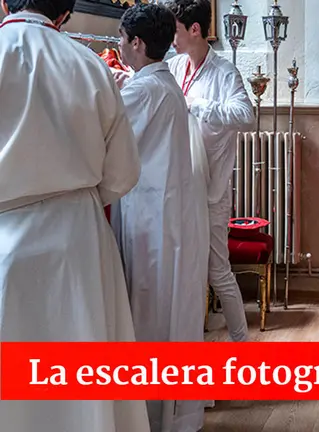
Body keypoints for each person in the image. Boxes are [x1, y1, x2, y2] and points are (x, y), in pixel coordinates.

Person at [0, 0, 150, 431]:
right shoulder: (90, 66)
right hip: (77, 235)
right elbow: (123, 171)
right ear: (64, 13)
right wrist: (77, 194)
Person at [111, 4, 209, 431]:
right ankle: (175, 412)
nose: (117, 45)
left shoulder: (143, 90)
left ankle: (151, 415)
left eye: (120, 37)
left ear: (136, 43)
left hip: (152, 219)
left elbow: (110, 145)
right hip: (171, 215)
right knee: (172, 313)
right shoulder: (162, 82)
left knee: (149, 315)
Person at [165, 0, 254, 343]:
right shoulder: (171, 67)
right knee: (183, 271)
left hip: (212, 190)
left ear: (195, 29)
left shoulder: (225, 73)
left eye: (175, 30)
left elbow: (246, 115)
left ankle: (242, 346)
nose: (171, 39)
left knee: (218, 271)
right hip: (177, 186)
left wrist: (198, 106)